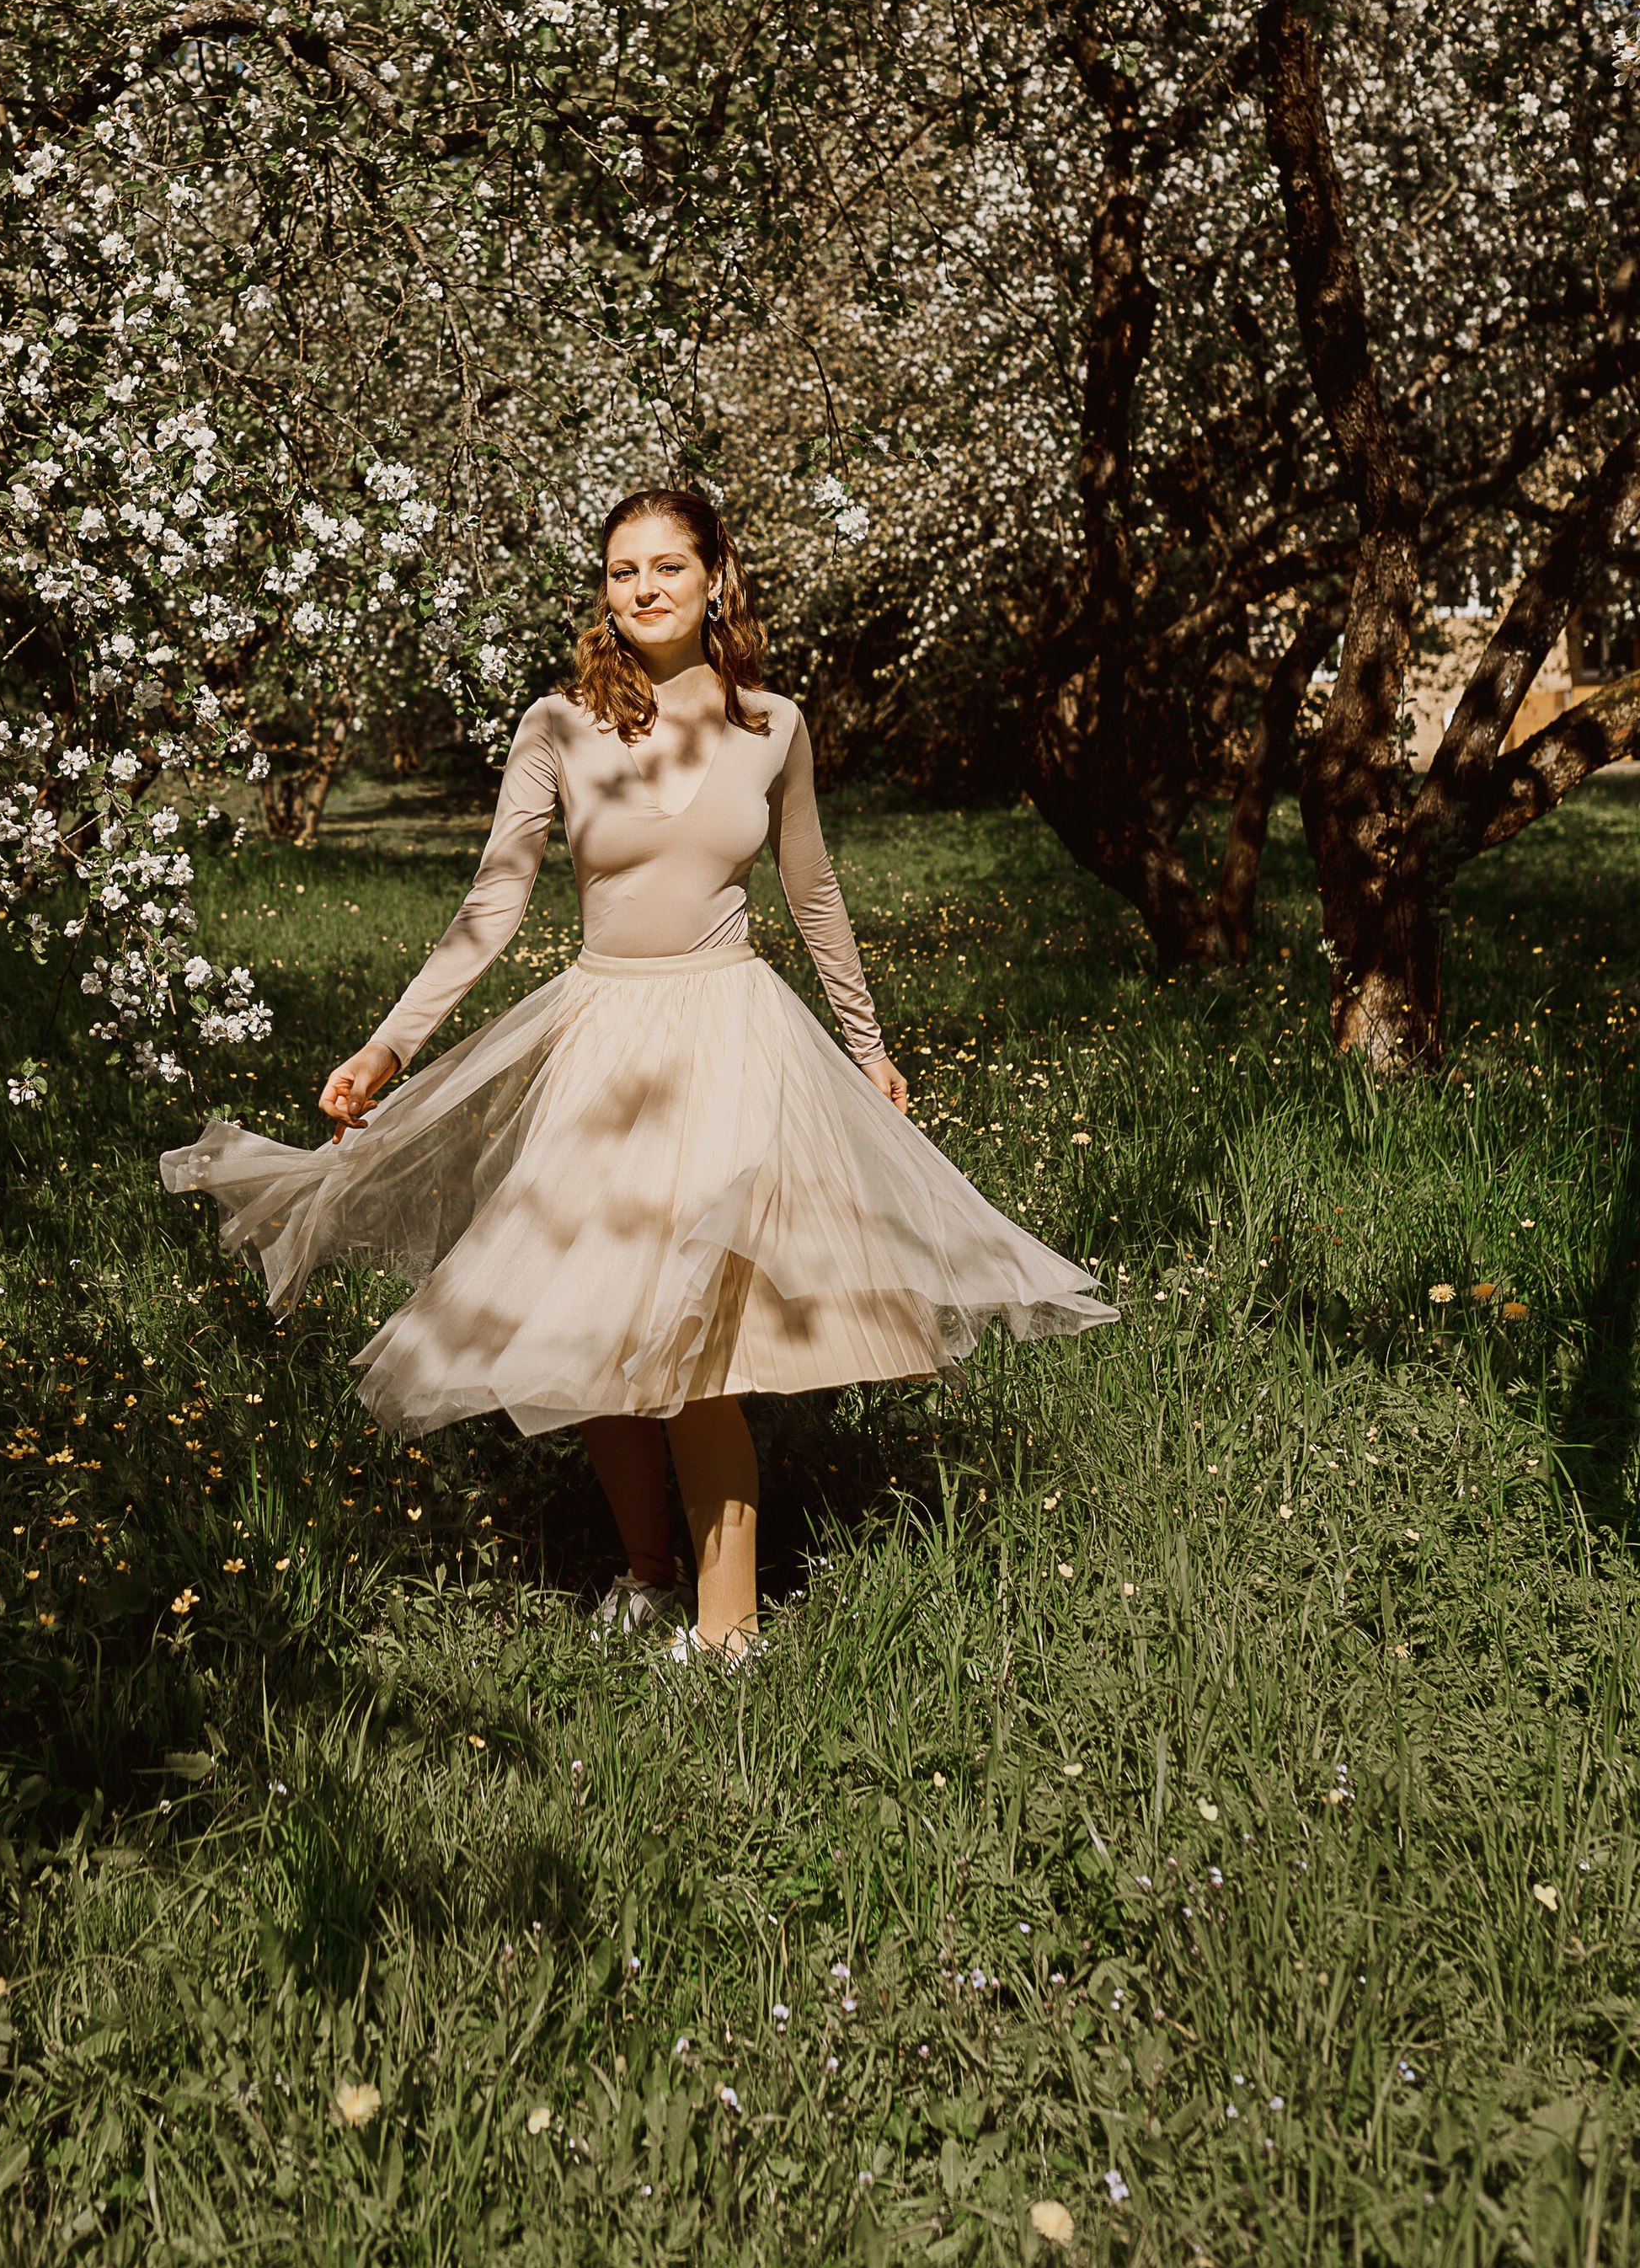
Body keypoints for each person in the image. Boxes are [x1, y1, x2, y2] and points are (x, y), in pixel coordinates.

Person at [162, 489, 1115, 1661]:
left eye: (670, 565)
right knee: (596, 1330)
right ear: (603, 590)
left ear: (720, 576)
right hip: (601, 1043)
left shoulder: (774, 725)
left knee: (704, 1349)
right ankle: (648, 1571)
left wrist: (867, 1046)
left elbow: (812, 894)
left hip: (730, 1036)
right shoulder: (559, 726)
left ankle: (732, 1634)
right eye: (623, 570)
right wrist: (388, 1044)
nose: (646, 587)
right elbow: (494, 905)